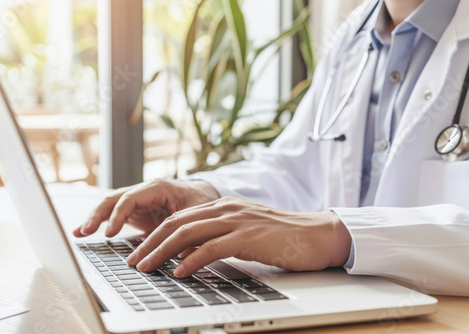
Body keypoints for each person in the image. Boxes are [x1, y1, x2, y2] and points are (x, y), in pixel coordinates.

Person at [74, 0, 469, 297]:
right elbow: (297, 164)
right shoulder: (357, 31)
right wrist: (206, 194)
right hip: (350, 299)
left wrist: (336, 236)